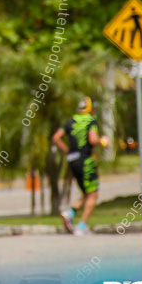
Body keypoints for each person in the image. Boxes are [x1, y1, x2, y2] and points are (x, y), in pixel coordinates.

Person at [54, 97, 104, 236]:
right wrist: (103, 142)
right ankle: (81, 226)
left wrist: (68, 151)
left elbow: (56, 137)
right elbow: (93, 139)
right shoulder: (90, 120)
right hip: (85, 161)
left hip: (73, 160)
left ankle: (69, 213)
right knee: (93, 193)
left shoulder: (71, 121)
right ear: (90, 109)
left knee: (87, 192)